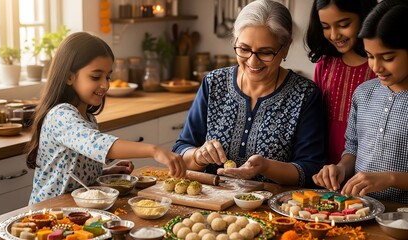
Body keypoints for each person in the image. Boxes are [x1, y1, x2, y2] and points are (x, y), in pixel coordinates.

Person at [172, 0, 326, 187]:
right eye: (244, 49)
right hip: (211, 206)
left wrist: (265, 167)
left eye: (265, 52)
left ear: (285, 47)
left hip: (274, 210)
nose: (253, 61)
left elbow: (310, 170)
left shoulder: (305, 94)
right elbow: (181, 150)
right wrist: (198, 156)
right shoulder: (214, 83)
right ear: (235, 42)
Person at [26, 32, 186, 204]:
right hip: (48, 213)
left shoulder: (88, 118)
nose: (105, 84)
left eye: (108, 76)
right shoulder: (60, 116)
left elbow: (74, 173)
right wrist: (154, 150)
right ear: (69, 76)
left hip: (74, 211)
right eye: (96, 77)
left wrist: (105, 172)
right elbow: (96, 144)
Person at [313, 0, 408, 203]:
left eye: (388, 57)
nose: (376, 67)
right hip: (359, 209)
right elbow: (353, 149)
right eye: (370, 56)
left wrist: (391, 178)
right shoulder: (363, 93)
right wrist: (340, 168)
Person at [305, 0, 377, 165]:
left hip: (367, 167)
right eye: (325, 27)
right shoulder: (325, 64)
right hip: (324, 167)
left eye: (343, 25)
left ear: (365, 17)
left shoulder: (380, 69)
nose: (334, 35)